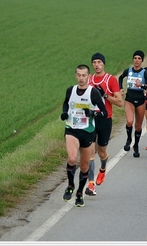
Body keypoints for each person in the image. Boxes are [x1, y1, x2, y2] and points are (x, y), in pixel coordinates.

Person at [60, 64, 107, 207]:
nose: (81, 78)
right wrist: (65, 113)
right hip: (72, 130)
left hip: (87, 132)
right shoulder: (71, 90)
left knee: (85, 166)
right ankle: (70, 186)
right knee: (72, 159)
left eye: (84, 75)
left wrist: (93, 113)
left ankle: (79, 193)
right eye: (79, 75)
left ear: (88, 76)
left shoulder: (93, 93)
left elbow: (104, 113)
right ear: (76, 76)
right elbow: (66, 104)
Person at [85, 53, 123, 196]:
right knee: (89, 151)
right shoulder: (88, 80)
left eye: (99, 62)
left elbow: (119, 102)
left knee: (101, 152)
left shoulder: (110, 80)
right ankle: (91, 184)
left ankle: (102, 168)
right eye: (94, 62)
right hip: (90, 119)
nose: (96, 65)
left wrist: (105, 95)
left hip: (105, 119)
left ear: (104, 64)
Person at [119, 50, 147, 157]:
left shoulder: (145, 73)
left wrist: (141, 85)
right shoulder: (128, 71)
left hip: (141, 100)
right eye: (135, 58)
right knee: (129, 121)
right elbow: (120, 77)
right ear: (133, 59)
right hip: (129, 99)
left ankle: (136, 145)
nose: (137, 60)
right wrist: (120, 88)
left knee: (138, 126)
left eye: (139, 59)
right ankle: (129, 139)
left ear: (142, 60)